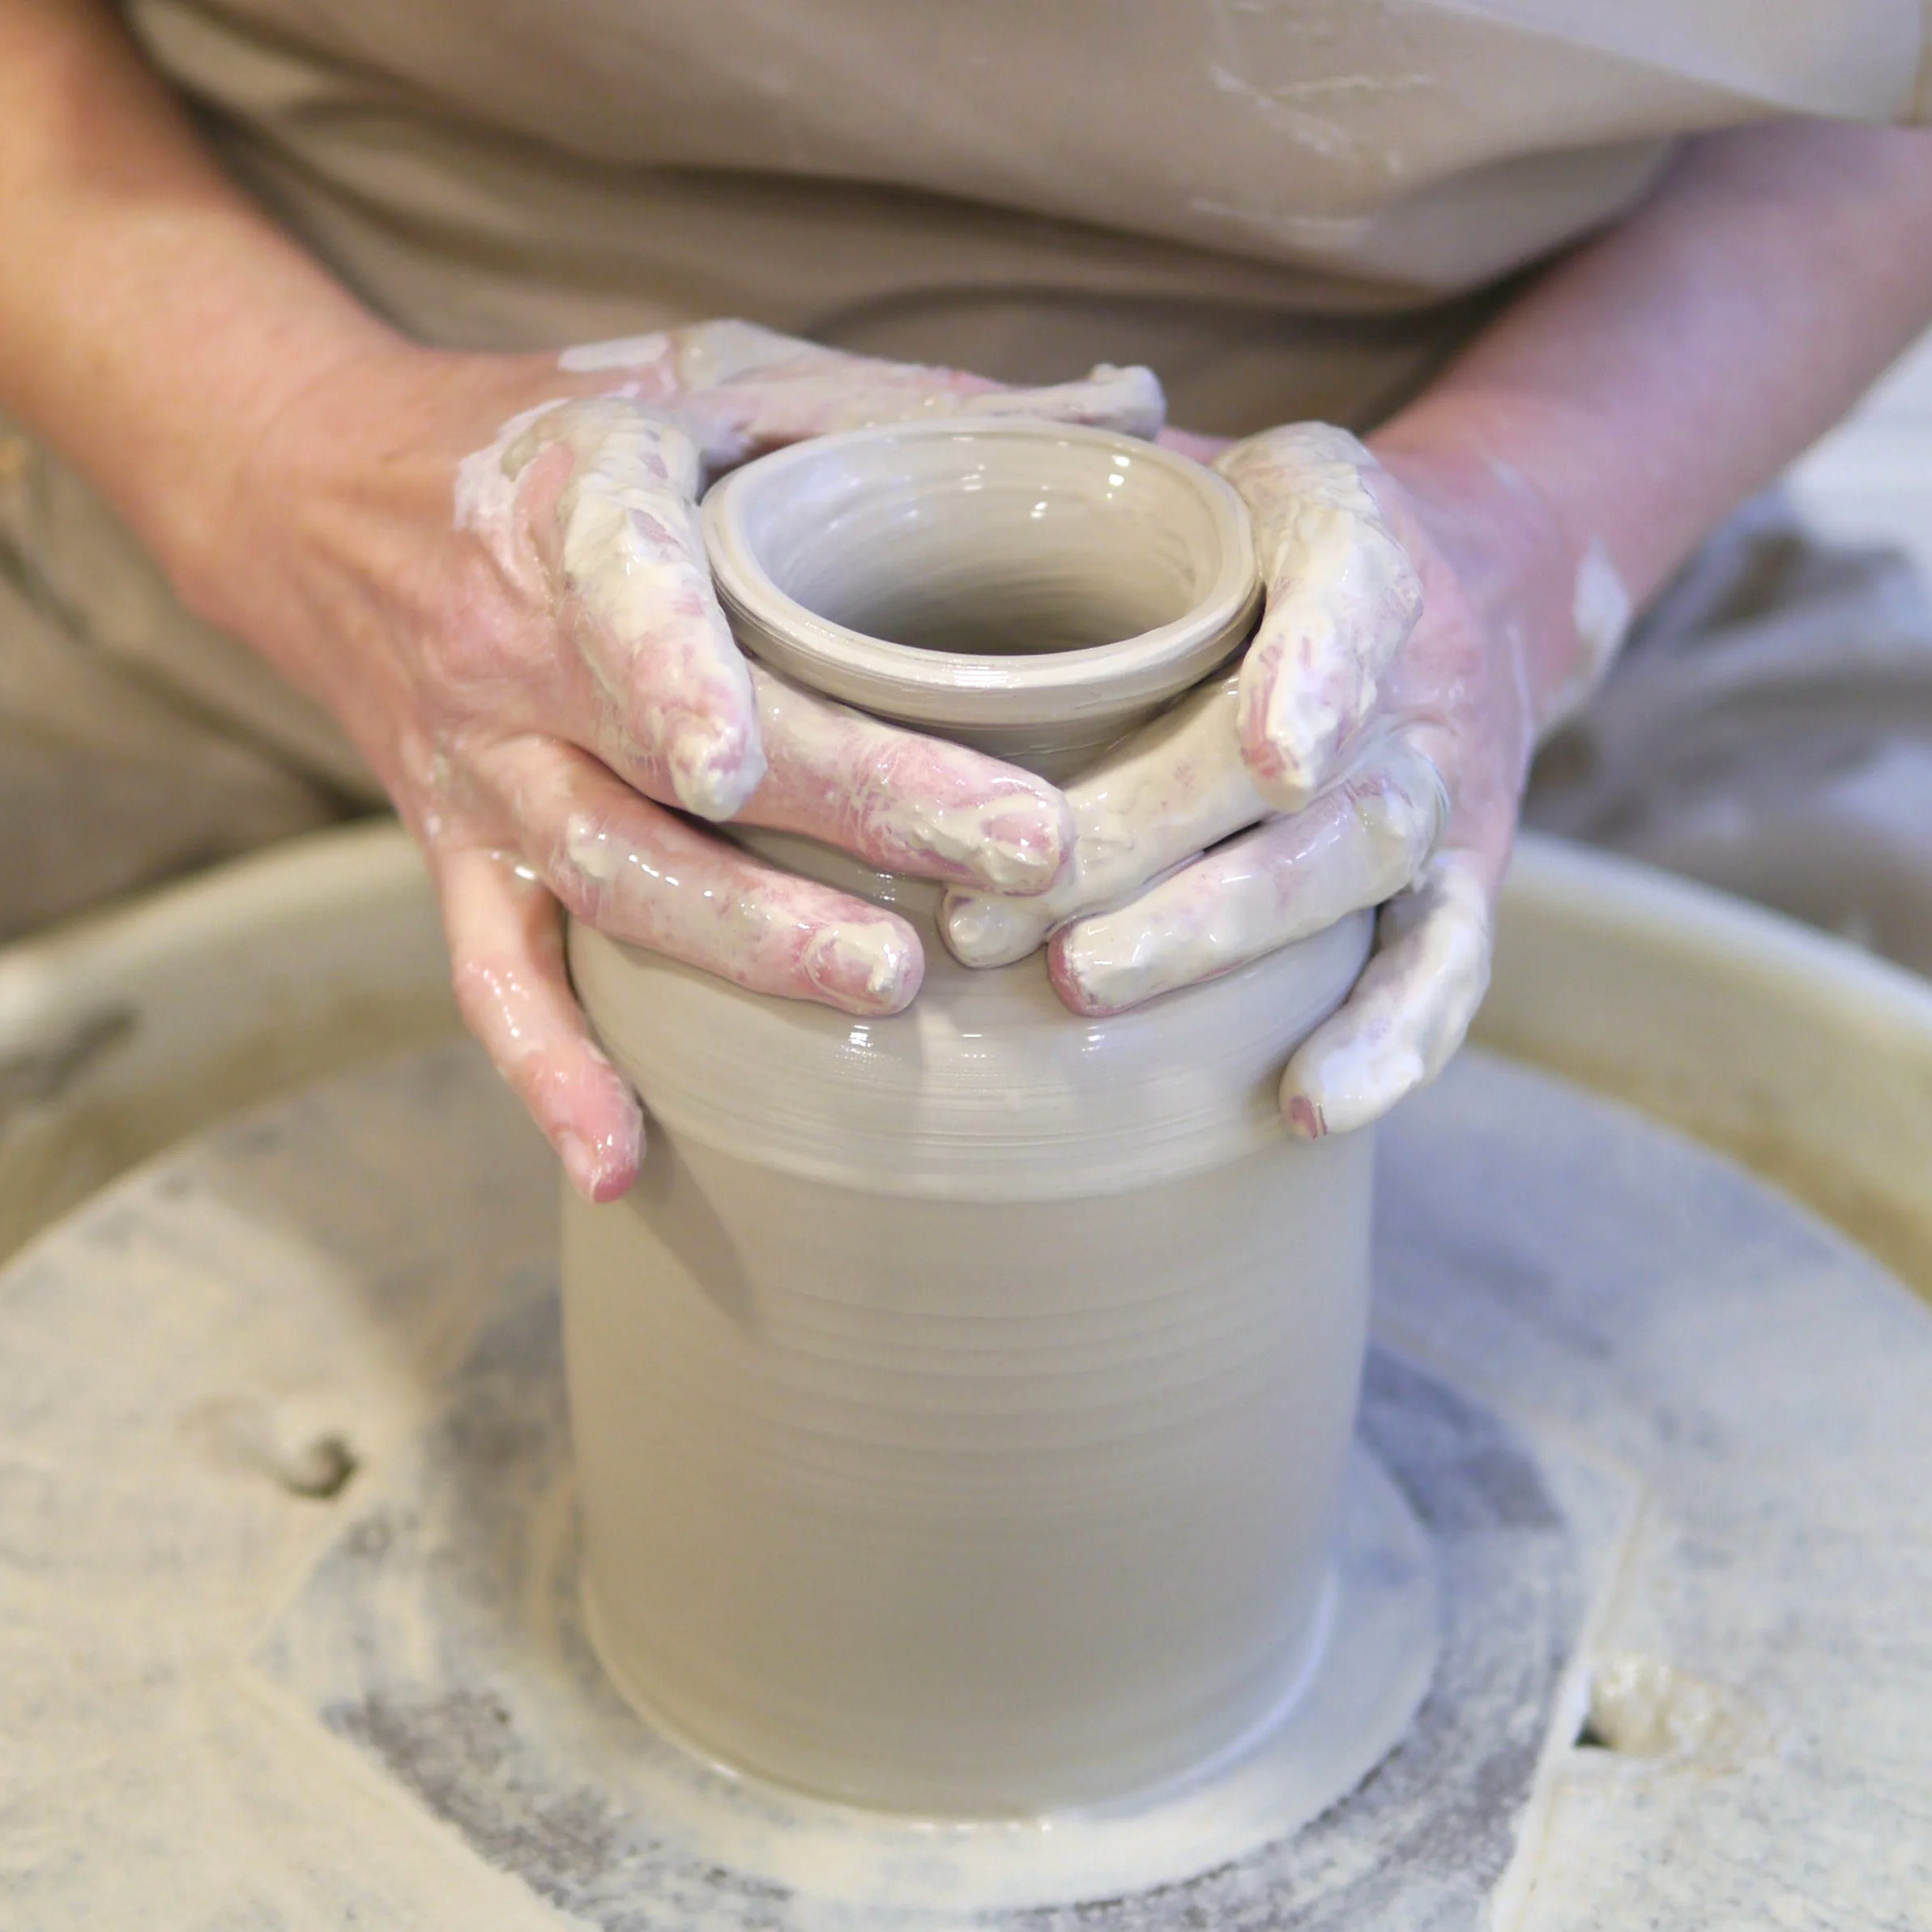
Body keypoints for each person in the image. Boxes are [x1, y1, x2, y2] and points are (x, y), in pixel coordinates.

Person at [4, 0, 1932, 1201]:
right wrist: (281, 457)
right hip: (286, 500)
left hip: (1477, 584)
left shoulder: (1500, 567)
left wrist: (1529, 535)